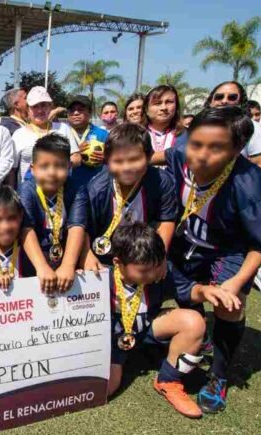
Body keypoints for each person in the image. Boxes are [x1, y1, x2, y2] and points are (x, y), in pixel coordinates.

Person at [165, 107, 261, 414]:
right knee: (183, 290)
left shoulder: (248, 181)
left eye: (215, 148)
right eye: (196, 143)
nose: (201, 155)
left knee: (228, 304)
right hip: (186, 241)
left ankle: (219, 375)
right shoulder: (180, 155)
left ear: (236, 150)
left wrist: (236, 282)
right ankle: (200, 337)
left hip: (227, 250)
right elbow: (159, 156)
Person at [106, 223, 206, 419]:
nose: (152, 275)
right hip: (113, 343)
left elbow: (188, 291)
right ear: (118, 263)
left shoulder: (163, 269)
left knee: (193, 322)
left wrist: (206, 291)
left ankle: (169, 380)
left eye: (157, 266)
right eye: (144, 271)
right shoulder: (101, 277)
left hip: (147, 329)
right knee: (105, 389)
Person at [77, 123, 177, 269]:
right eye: (117, 161)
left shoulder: (161, 182)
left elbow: (166, 220)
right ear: (106, 160)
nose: (126, 168)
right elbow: (83, 228)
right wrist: (86, 255)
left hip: (145, 261)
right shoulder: (96, 189)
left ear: (149, 156)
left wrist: (159, 257)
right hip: (106, 261)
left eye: (134, 159)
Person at [18, 134, 85, 293]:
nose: (52, 172)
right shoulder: (26, 190)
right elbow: (26, 229)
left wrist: (68, 265)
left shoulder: (76, 189)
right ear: (33, 169)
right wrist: (41, 267)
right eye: (44, 166)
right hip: (33, 265)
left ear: (69, 166)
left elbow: (77, 227)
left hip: (65, 264)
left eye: (60, 165)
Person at [193, 81, 261, 171]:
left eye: (232, 97)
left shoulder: (253, 127)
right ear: (211, 101)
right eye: (219, 97)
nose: (224, 101)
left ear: (241, 103)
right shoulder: (198, 125)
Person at [11, 86, 72, 186]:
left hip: (60, 192)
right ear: (28, 109)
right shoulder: (19, 135)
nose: (40, 110)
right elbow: (12, 170)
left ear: (50, 107)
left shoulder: (63, 128)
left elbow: (75, 158)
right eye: (35, 106)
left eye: (43, 105)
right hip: (30, 194)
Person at [65, 95, 109, 188]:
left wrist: (106, 158)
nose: (76, 113)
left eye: (80, 109)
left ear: (89, 112)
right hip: (68, 187)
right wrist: (76, 153)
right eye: (72, 110)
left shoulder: (103, 134)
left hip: (96, 187)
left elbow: (116, 159)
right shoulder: (61, 132)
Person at [146, 85, 183, 165]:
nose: (164, 108)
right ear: (146, 109)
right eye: (157, 103)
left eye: (169, 102)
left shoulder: (186, 135)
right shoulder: (134, 134)